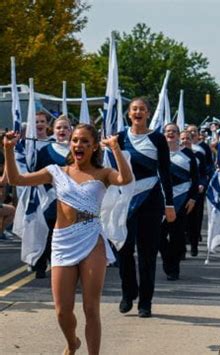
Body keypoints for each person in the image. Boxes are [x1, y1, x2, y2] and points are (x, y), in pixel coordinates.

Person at [3, 123, 132, 355]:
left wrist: (115, 149)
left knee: (91, 308)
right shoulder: (55, 171)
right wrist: (9, 149)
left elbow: (125, 179)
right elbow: (15, 179)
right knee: (62, 310)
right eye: (75, 140)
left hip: (92, 238)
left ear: (93, 147)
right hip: (63, 241)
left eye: (84, 141)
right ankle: (72, 342)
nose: (78, 145)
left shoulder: (103, 174)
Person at [117, 97, 175, 318]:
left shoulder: (158, 139)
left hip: (151, 200)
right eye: (134, 109)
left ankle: (145, 302)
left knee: (147, 253)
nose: (138, 112)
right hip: (125, 200)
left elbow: (166, 173)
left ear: (148, 113)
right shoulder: (120, 138)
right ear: (129, 113)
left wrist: (169, 204)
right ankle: (127, 291)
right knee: (123, 249)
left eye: (142, 109)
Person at [33, 115, 72, 278]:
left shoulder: (76, 149)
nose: (62, 130)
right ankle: (41, 265)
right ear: (53, 130)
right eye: (58, 128)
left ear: (71, 131)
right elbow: (36, 173)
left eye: (65, 127)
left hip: (72, 198)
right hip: (50, 197)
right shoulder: (44, 150)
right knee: (47, 231)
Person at [159, 124, 198, 280]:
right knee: (158, 236)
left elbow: (195, 178)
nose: (171, 134)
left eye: (174, 131)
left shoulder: (188, 154)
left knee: (177, 236)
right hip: (161, 201)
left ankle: (173, 270)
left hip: (182, 201)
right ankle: (168, 258)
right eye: (168, 131)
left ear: (178, 135)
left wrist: (193, 198)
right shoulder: (158, 153)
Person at [186, 124, 213, 256]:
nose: (191, 134)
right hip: (182, 191)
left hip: (197, 190)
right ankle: (181, 247)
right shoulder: (177, 152)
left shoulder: (200, 152)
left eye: (194, 132)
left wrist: (203, 183)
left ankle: (194, 243)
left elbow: (206, 170)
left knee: (195, 218)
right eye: (188, 133)